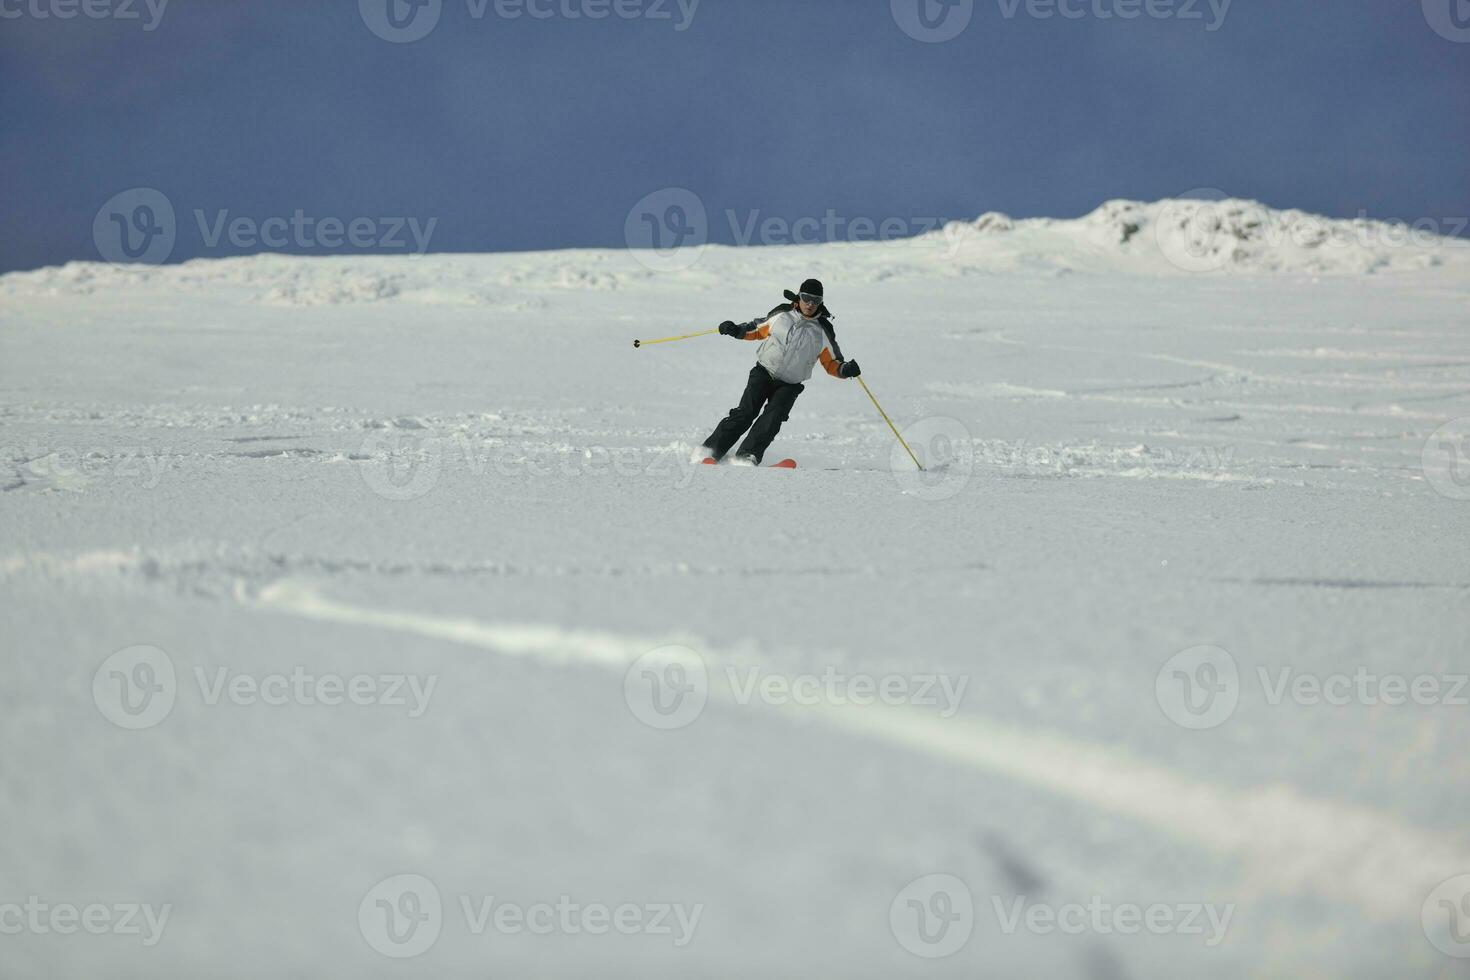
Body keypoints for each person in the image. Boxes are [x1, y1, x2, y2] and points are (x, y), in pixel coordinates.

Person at [698, 279, 861, 466]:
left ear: (821, 302)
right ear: (799, 297)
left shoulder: (823, 330)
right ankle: (709, 451)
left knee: (772, 419)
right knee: (745, 413)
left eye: (815, 300)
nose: (810, 304)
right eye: (806, 298)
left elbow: (832, 363)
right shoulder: (782, 314)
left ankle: (747, 455)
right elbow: (756, 329)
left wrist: (845, 369)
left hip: (790, 385)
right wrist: (736, 330)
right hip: (764, 372)